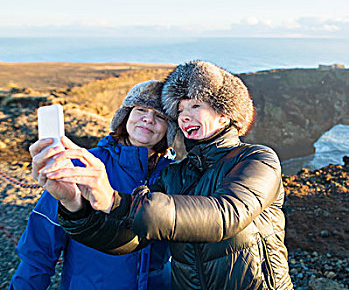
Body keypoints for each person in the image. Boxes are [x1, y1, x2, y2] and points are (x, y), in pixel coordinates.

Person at [32, 60, 293, 289]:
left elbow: (225, 215)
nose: (185, 116)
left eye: (195, 106)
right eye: (179, 111)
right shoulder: (175, 175)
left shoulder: (257, 159)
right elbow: (129, 237)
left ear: (224, 116)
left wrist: (113, 200)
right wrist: (73, 204)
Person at [11, 80, 173, 290]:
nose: (148, 119)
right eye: (141, 109)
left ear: (171, 127)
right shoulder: (83, 163)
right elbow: (40, 246)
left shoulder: (176, 174)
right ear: (125, 116)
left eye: (160, 116)